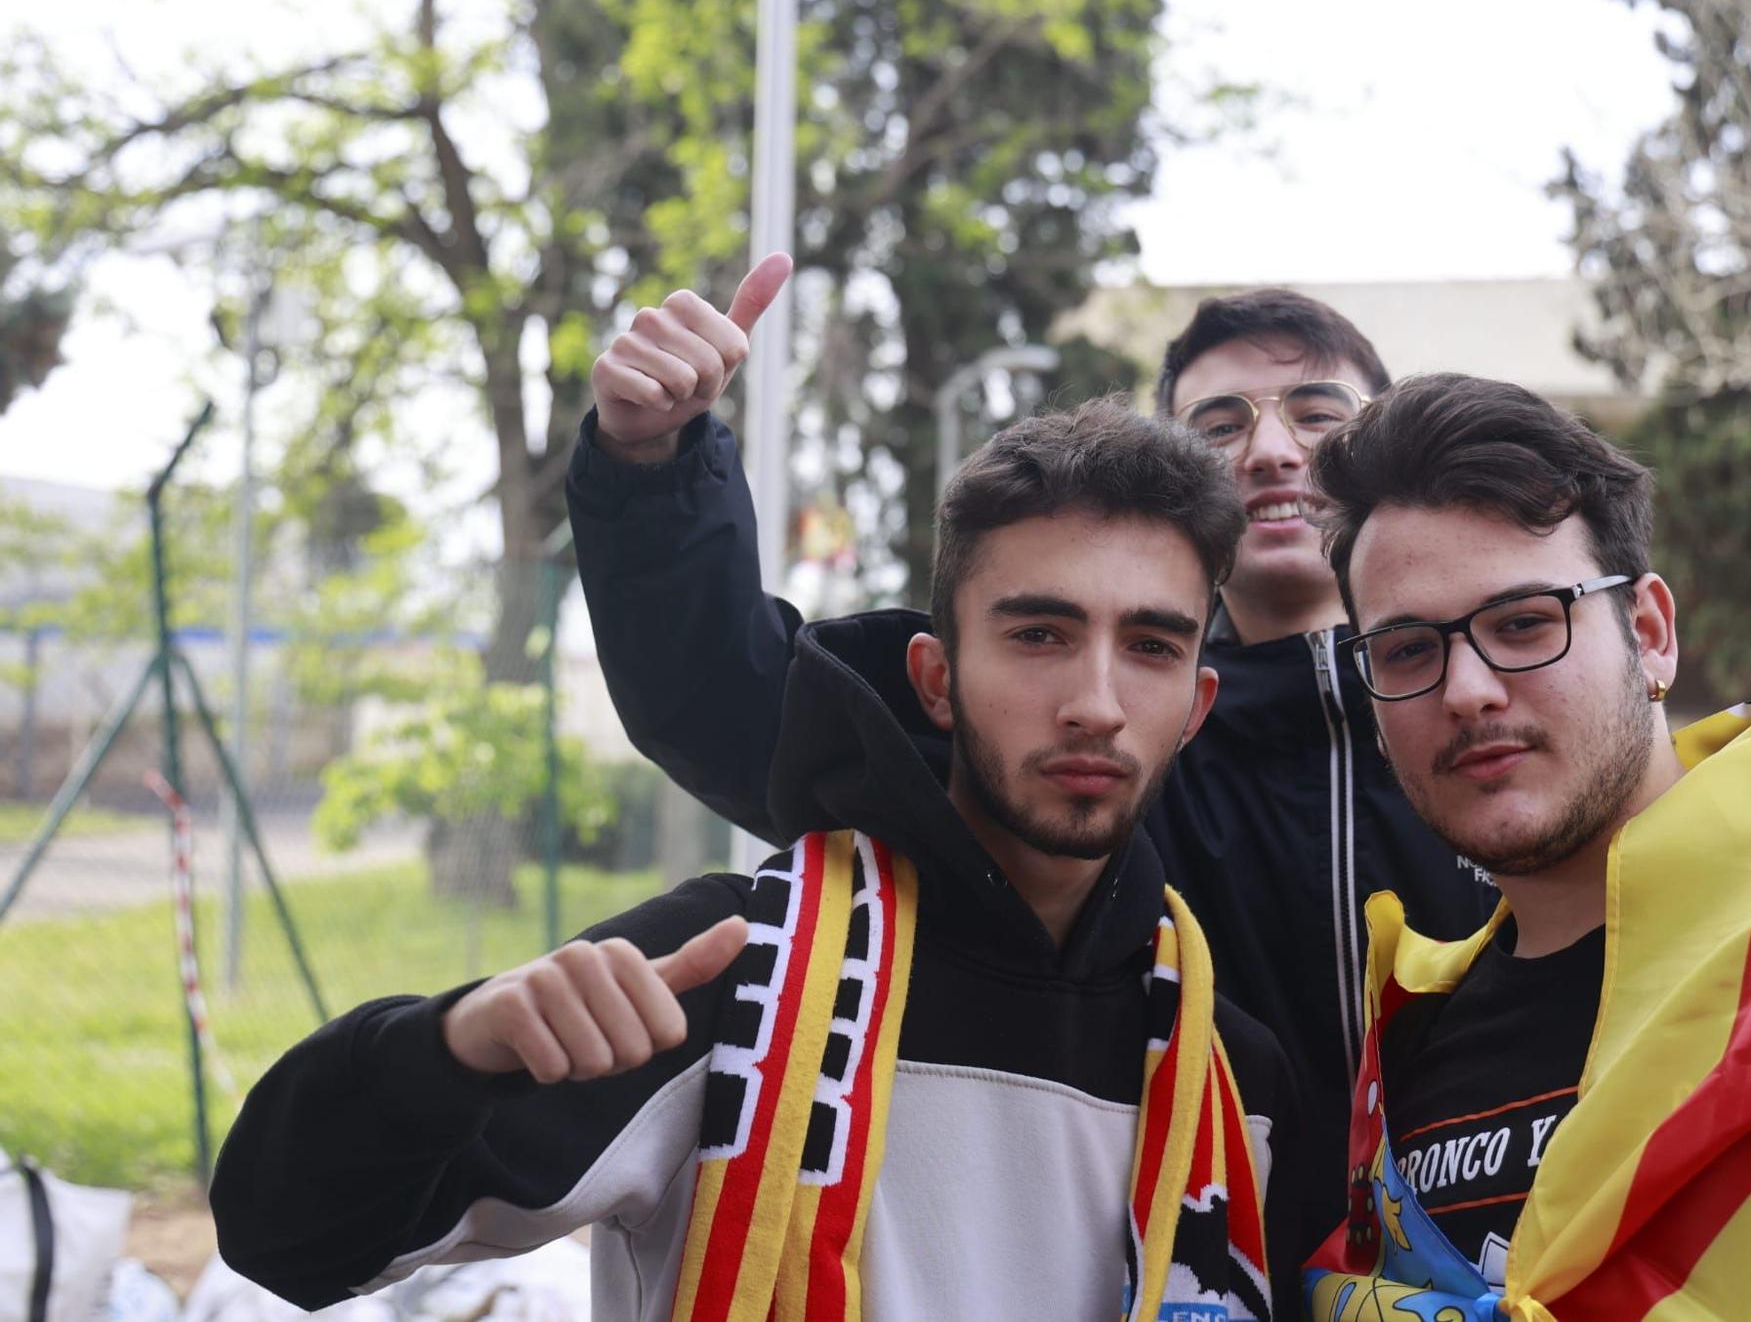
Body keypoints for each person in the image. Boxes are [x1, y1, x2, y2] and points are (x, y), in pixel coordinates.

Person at [209, 399, 1305, 1322]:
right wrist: (448, 1047)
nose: (1095, 703)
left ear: (1195, 703)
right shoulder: (735, 969)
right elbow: (288, 1239)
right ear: (933, 676)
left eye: (1151, 647)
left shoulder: (1232, 1074)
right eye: (1037, 634)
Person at [570, 254, 1495, 1151]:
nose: (1270, 450)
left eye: (1318, 413)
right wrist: (655, 465)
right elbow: (742, 707)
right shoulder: (1086, 747)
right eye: (1217, 423)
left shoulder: (1499, 714)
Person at [1296, 373, 1751, 1321]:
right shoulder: (1404, 1047)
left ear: (1651, 634)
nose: (1467, 689)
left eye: (1523, 623)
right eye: (1409, 650)